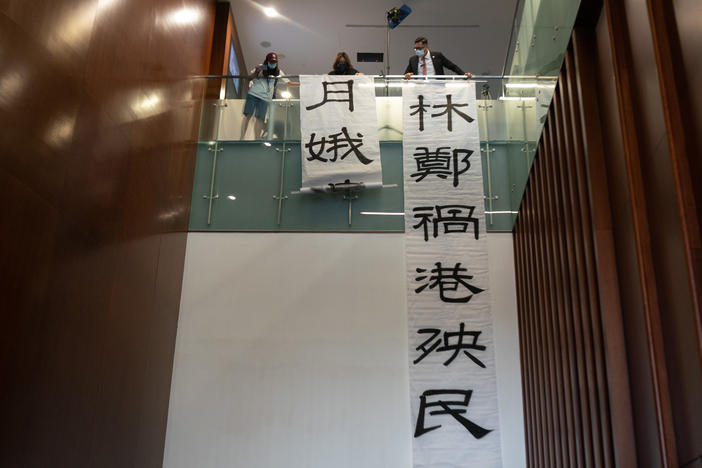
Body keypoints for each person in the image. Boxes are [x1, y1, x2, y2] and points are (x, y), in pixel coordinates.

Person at [241, 52, 289, 139]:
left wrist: (303, 83)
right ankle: (241, 137)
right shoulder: (263, 67)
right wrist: (256, 71)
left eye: (274, 62)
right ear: (267, 61)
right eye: (271, 62)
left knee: (260, 119)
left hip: (265, 98)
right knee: (248, 115)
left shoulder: (278, 71)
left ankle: (257, 139)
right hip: (254, 94)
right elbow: (250, 77)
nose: (273, 64)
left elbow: (288, 82)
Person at [403, 36, 472, 79]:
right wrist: (407, 75)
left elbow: (452, 66)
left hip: (436, 88)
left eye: (419, 48)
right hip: (419, 89)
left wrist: (464, 75)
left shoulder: (437, 56)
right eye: (415, 49)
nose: (417, 51)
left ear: (426, 46)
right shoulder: (413, 60)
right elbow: (405, 75)